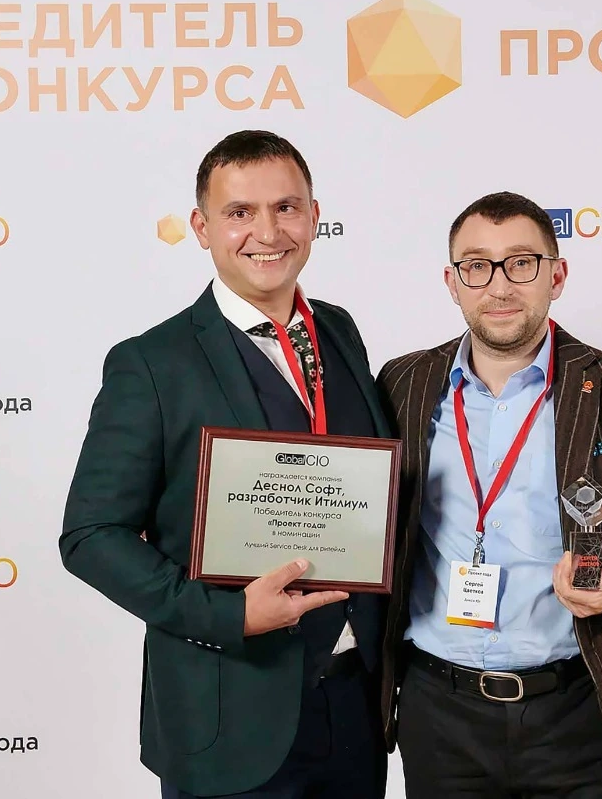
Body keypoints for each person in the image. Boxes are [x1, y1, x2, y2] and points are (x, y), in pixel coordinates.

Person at [59, 130, 389, 799]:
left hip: (354, 708)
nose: (267, 232)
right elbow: (90, 536)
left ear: (314, 217)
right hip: (226, 717)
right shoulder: (152, 363)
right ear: (202, 227)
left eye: (285, 207)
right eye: (240, 212)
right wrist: (226, 615)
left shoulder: (339, 330)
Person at [375, 191, 602, 798]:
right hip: (440, 714)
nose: (499, 285)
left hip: (583, 709)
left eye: (521, 263)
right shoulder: (405, 381)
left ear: (556, 276)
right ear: (453, 283)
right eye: (477, 266)